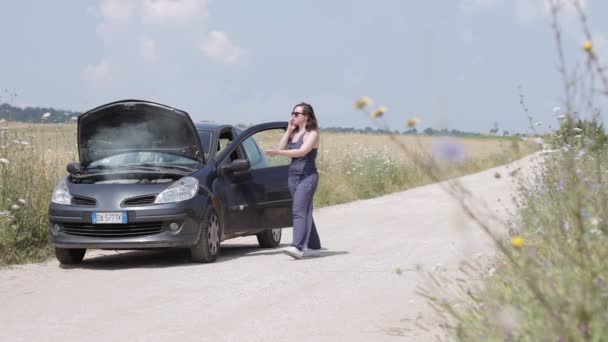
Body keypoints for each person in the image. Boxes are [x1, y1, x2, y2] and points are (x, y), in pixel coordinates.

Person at [265, 102, 322, 259]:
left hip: (307, 176)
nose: (293, 116)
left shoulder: (312, 133)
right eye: (292, 113)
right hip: (293, 176)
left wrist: (279, 153)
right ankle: (314, 245)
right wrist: (289, 130)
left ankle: (297, 246)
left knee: (298, 210)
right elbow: (281, 146)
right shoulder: (293, 133)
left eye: (297, 114)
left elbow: (302, 151)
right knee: (305, 210)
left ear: (307, 116)